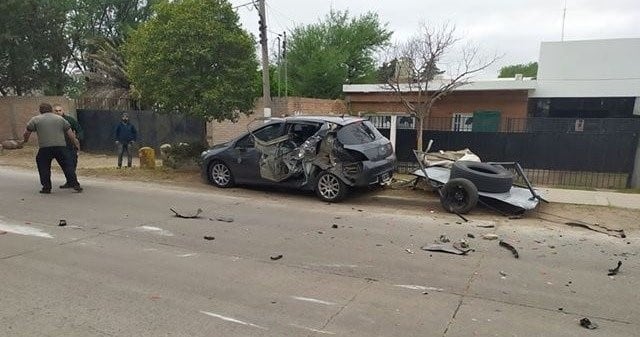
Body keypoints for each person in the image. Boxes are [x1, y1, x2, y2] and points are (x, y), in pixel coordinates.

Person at [23, 103, 83, 193]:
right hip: (61, 147)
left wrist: (25, 141)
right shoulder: (60, 119)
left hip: (45, 148)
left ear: (40, 110)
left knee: (43, 167)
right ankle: (75, 185)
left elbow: (27, 133)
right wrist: (76, 144)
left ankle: (46, 187)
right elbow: (70, 134)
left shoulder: (35, 119)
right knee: (67, 166)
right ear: (51, 110)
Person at [53, 104, 83, 188]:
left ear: (63, 111)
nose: (58, 112)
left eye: (60, 110)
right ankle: (71, 182)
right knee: (66, 164)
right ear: (53, 112)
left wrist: (77, 139)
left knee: (73, 162)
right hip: (58, 145)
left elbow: (79, 130)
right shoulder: (52, 121)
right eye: (56, 111)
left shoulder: (70, 120)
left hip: (70, 144)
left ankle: (71, 181)